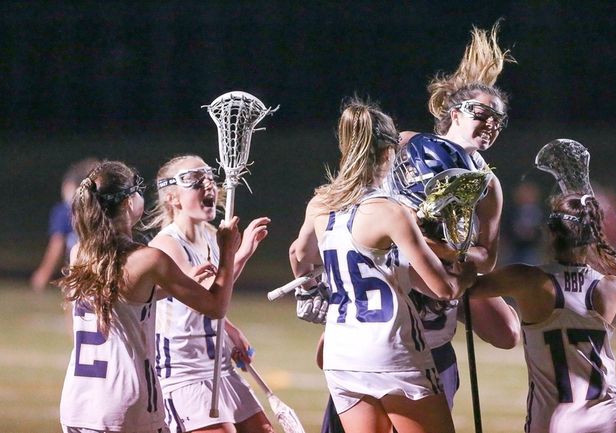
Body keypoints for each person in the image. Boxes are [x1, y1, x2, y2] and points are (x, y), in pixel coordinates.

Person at [290, 98, 476, 433]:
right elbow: (443, 289)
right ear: (390, 153)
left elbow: (298, 255)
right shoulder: (391, 211)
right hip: (392, 351)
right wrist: (467, 270)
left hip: (341, 353)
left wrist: (310, 290)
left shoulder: (320, 203)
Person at [390, 19, 520, 409]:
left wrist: (446, 249)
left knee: (509, 332)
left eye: (498, 119)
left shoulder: (487, 183)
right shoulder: (407, 143)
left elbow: (486, 256)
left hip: (439, 286)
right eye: (482, 113)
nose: (491, 124)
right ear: (456, 112)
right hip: (389, 279)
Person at [57, 160, 242, 433]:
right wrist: (227, 251)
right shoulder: (149, 259)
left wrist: (178, 283)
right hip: (124, 403)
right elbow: (216, 306)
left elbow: (126, 298)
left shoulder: (80, 253)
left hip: (78, 401)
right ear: (130, 202)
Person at [470, 193, 616, 433]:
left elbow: (461, 287)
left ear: (552, 233)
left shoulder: (526, 278)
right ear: (593, 238)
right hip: (612, 417)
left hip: (555, 420)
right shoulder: (610, 288)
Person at [145, 155, 274, 433]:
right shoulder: (167, 245)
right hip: (186, 373)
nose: (208, 185)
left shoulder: (211, 234)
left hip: (218, 367)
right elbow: (204, 299)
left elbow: (216, 293)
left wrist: (227, 329)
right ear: (172, 197)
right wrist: (236, 254)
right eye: (194, 180)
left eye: (209, 178)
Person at [30, 157, 100, 292]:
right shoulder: (105, 209)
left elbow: (57, 244)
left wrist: (44, 272)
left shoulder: (65, 211)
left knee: (75, 305)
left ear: (70, 186)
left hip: (80, 267)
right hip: (105, 266)